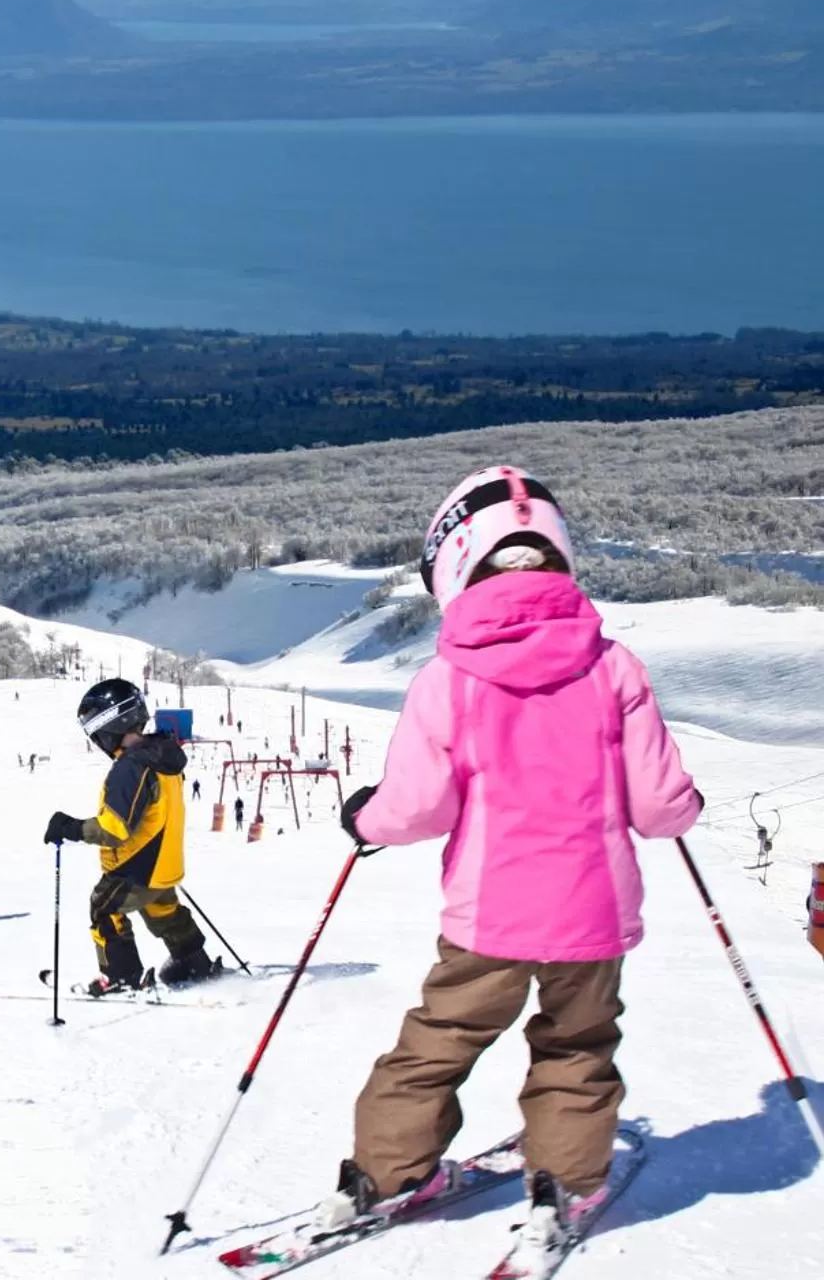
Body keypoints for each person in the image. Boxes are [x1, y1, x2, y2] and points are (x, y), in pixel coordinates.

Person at [314, 466, 701, 1263]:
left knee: (439, 1039)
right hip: (594, 913)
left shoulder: (448, 679)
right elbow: (661, 808)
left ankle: (387, 1177)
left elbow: (419, 809)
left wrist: (365, 818)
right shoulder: (612, 666)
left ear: (453, 562)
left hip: (489, 912)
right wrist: (686, 804)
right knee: (577, 1045)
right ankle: (563, 1185)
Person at [43, 678, 219, 996]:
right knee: (163, 911)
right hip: (165, 866)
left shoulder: (130, 767)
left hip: (137, 867)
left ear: (110, 726)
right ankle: (195, 962)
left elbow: (114, 830)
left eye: (96, 734)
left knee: (103, 908)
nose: (98, 742)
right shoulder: (164, 756)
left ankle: (121, 977)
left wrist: (70, 828)